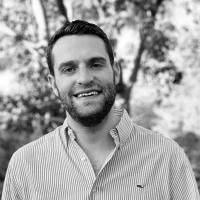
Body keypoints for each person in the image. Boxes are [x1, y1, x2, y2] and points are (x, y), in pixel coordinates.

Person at [2, 20, 199, 200]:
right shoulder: (25, 165)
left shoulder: (166, 157)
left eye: (95, 64)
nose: (85, 78)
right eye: (69, 69)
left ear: (115, 72)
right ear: (53, 85)